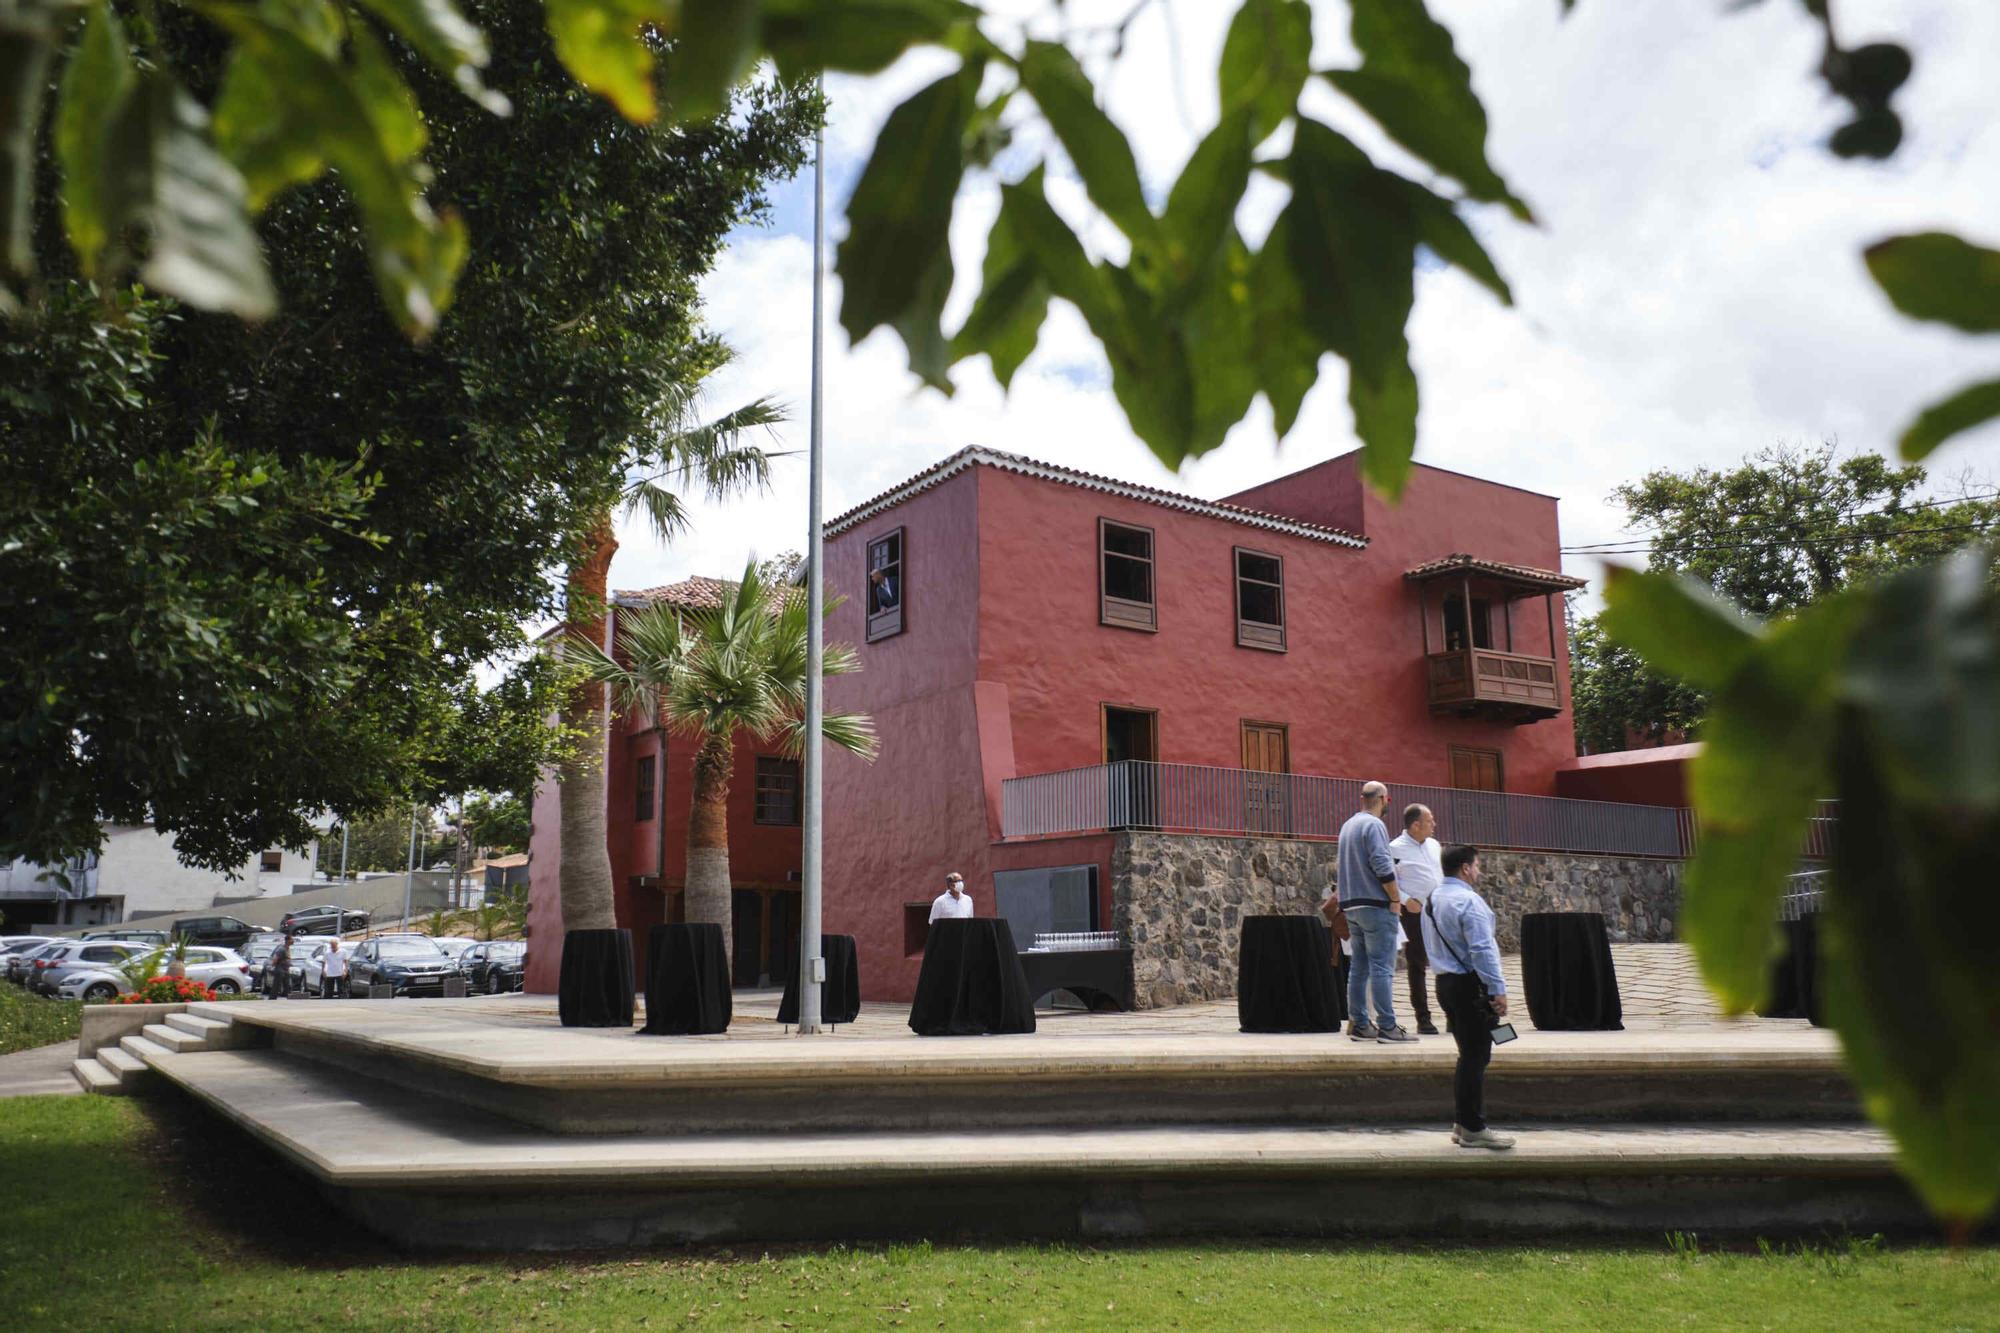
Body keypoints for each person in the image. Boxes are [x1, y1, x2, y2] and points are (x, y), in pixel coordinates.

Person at [1422, 844, 1514, 1150]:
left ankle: (1463, 1124)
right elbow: (1482, 950)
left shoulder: (1432, 900)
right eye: (1476, 865)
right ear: (1465, 868)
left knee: (1470, 1054)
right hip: (1471, 987)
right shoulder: (1469, 902)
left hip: (1445, 984)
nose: (1479, 870)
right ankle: (1473, 1126)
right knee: (1476, 1057)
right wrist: (1497, 989)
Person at [1337, 780, 1415, 1043]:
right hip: (1375, 904)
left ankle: (1360, 1024)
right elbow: (1381, 863)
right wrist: (1395, 898)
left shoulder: (1348, 825)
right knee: (1382, 967)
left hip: (1351, 905)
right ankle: (1388, 1027)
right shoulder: (1374, 825)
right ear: (1384, 799)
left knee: (1358, 968)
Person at [1389, 803, 1443, 1035]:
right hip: (1415, 912)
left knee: (1446, 963)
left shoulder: (1434, 845)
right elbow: (1387, 880)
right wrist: (1405, 899)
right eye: (1430, 821)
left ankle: (1452, 1013)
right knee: (1417, 963)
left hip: (1440, 910)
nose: (1434, 824)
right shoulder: (1394, 849)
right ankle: (1423, 1017)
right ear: (1415, 825)